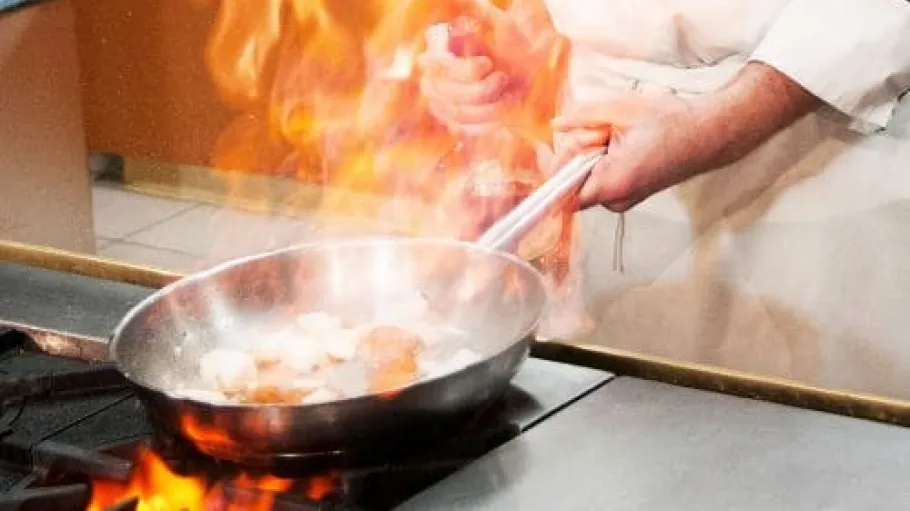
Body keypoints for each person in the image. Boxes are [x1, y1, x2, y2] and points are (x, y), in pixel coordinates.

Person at [417, 0, 910, 397]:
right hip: (606, 148)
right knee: (623, 430)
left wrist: (716, 123)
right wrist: (530, 44)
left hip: (824, 145)